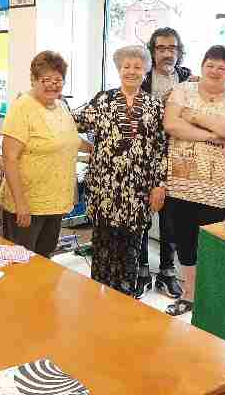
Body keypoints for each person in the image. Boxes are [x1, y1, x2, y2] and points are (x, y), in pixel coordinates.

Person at [162, 45, 225, 316]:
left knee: (215, 245)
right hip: (182, 181)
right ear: (201, 66)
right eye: (210, 65)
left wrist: (195, 117)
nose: (215, 71)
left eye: (222, 67)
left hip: (220, 187)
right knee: (185, 241)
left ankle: (212, 300)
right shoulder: (183, 90)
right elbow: (171, 125)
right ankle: (189, 294)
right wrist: (212, 135)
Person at [73, 45, 167, 297]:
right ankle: (97, 297)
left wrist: (160, 184)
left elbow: (161, 148)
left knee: (130, 248)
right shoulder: (103, 99)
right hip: (104, 186)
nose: (131, 71)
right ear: (118, 69)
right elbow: (73, 122)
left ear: (146, 71)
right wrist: (89, 147)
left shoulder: (155, 106)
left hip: (138, 190)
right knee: (102, 244)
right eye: (126, 66)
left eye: (137, 67)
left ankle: (124, 298)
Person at [0, 51, 92, 257]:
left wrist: (101, 149)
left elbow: (72, 141)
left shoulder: (61, 106)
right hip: (27, 205)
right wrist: (21, 203)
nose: (52, 84)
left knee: (44, 262)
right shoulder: (22, 106)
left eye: (58, 80)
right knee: (21, 264)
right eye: (46, 79)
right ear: (33, 80)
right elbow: (9, 158)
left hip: (55, 202)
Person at [133, 27, 193, 299]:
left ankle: (168, 270)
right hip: (143, 156)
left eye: (172, 48)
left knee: (171, 218)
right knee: (143, 214)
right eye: (161, 48)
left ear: (179, 52)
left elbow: (213, 95)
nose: (168, 53)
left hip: (177, 155)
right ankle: (142, 268)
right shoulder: (141, 77)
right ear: (152, 51)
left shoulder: (187, 78)